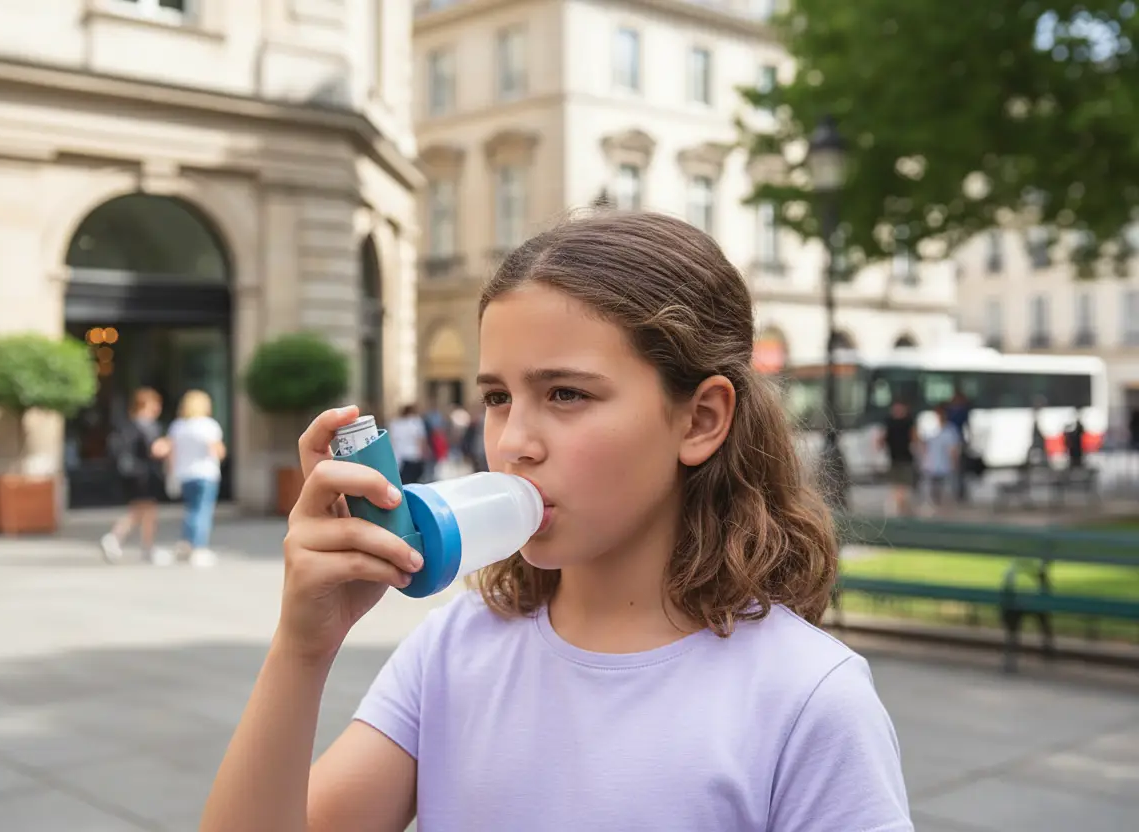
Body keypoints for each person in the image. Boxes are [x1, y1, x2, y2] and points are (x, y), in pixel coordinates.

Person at [200, 212, 912, 832]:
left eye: (566, 394)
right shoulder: (454, 650)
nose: (513, 443)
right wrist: (302, 648)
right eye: (498, 396)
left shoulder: (807, 699)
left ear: (700, 419)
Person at [100, 388, 170, 564]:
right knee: (141, 511)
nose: (158, 407)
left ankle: (143, 546)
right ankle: (117, 537)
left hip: (134, 474)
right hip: (144, 474)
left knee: (145, 511)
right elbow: (154, 449)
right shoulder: (147, 425)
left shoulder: (128, 425)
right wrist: (169, 446)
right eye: (155, 403)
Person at [165, 389, 226, 568]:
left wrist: (171, 473)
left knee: (191, 510)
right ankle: (199, 548)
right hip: (206, 473)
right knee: (203, 511)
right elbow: (218, 451)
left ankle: (186, 544)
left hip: (184, 474)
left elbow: (172, 453)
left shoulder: (178, 426)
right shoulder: (209, 426)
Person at [879, 400, 918, 516]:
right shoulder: (889, 422)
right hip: (894, 458)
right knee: (897, 486)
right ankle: (900, 508)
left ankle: (902, 508)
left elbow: (914, 437)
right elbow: (882, 438)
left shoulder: (908, 422)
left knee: (904, 486)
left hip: (906, 458)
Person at [920, 405, 961, 509]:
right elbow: (924, 446)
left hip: (945, 466)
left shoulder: (950, 431)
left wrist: (954, 463)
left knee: (946, 490)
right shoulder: (930, 429)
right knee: (933, 491)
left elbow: (953, 449)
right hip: (932, 466)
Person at [387, 404, 428, 484]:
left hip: (399, 458)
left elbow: (392, 441)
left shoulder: (394, 424)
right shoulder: (416, 422)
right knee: (415, 482)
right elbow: (420, 439)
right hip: (413, 455)